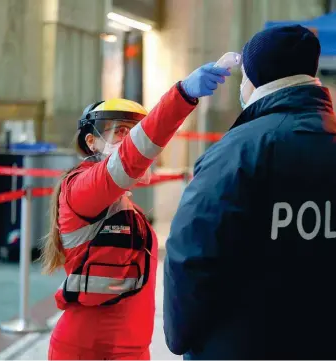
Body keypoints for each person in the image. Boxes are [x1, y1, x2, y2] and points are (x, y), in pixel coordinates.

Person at [163, 25, 336, 360]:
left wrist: (180, 337)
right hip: (330, 342)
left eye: (243, 76)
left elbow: (190, 257)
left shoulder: (237, 153)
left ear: (256, 79)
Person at [40, 62, 231, 360]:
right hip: (87, 351)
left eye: (134, 131)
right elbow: (133, 156)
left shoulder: (126, 207)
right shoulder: (81, 190)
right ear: (91, 141)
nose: (130, 140)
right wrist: (182, 95)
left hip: (129, 349)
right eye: (120, 131)